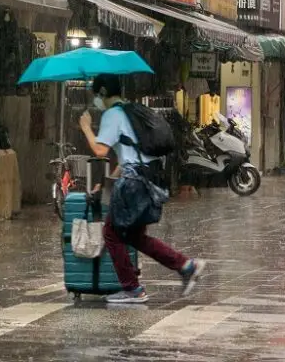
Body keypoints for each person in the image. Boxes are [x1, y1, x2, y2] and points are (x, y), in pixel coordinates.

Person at [79, 74, 206, 306]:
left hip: (133, 184)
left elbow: (99, 151)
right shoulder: (131, 111)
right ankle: (186, 266)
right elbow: (129, 155)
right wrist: (107, 181)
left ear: (104, 92)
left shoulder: (112, 115)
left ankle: (133, 289)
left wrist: (86, 128)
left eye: (97, 95)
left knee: (111, 233)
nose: (96, 100)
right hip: (146, 179)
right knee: (136, 237)